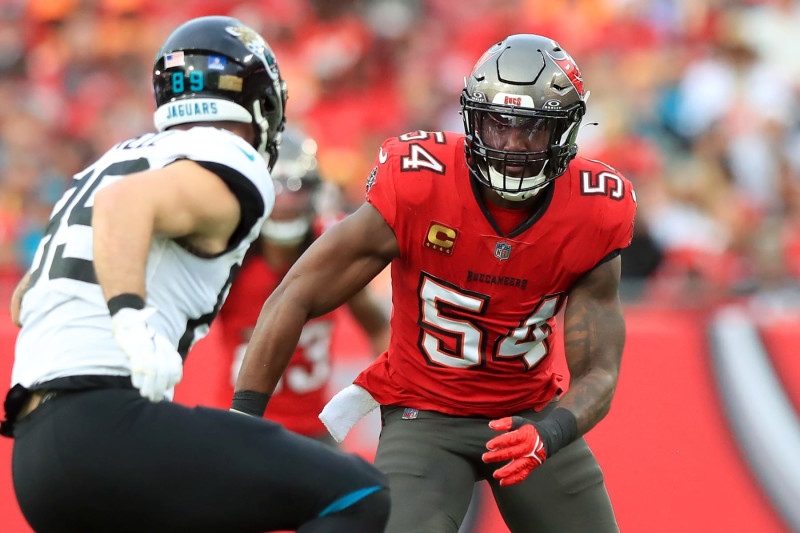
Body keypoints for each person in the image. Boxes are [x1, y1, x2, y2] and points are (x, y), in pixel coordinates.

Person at [2, 16, 389, 533]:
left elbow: (26, 297)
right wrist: (128, 318)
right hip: (105, 424)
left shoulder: (115, 161)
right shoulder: (225, 159)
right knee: (360, 493)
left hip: (35, 455)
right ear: (261, 103)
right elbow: (125, 204)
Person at [234, 33, 635, 533]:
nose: (510, 146)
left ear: (565, 132)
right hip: (425, 414)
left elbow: (599, 370)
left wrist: (550, 433)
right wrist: (244, 421)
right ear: (470, 119)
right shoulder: (421, 182)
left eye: (531, 129)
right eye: (496, 124)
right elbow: (297, 292)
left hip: (528, 414)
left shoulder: (594, 209)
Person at [218, 126, 390, 444]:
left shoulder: (329, 247)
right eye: (276, 189)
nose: (285, 202)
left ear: (313, 191)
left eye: (295, 187)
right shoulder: (232, 254)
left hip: (313, 432)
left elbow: (379, 326)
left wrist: (394, 390)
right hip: (242, 423)